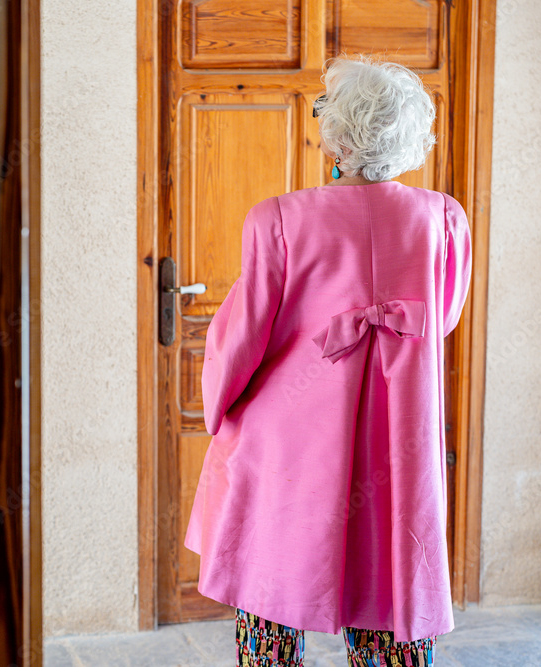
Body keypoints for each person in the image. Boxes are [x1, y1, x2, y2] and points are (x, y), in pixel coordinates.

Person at [182, 55, 472, 667]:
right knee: (390, 591)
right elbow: (441, 320)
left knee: (269, 598)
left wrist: (220, 407)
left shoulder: (277, 219)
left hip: (290, 442)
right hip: (395, 443)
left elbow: (241, 339)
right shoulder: (443, 220)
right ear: (408, 134)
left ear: (335, 135)